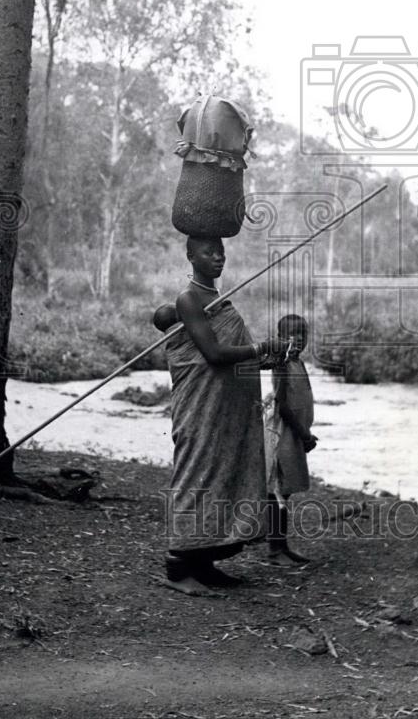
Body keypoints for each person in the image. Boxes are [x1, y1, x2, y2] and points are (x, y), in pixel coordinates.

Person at [163, 236, 284, 595]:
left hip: (225, 407)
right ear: (190, 256)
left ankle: (205, 562)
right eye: (207, 253)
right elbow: (213, 354)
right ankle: (178, 566)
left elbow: (234, 353)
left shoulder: (217, 301)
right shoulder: (189, 299)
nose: (217, 258)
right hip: (200, 404)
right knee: (195, 472)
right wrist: (258, 347)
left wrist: (266, 357)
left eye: (221, 252)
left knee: (222, 473)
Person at [265, 314, 317, 566]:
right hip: (282, 435)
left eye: (302, 335)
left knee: (284, 493)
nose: (297, 340)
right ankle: (276, 549)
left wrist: (305, 431)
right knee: (277, 494)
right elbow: (282, 405)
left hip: (293, 434)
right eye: (290, 335)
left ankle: (281, 546)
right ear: (279, 337)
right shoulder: (282, 362)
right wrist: (303, 435)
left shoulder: (298, 363)